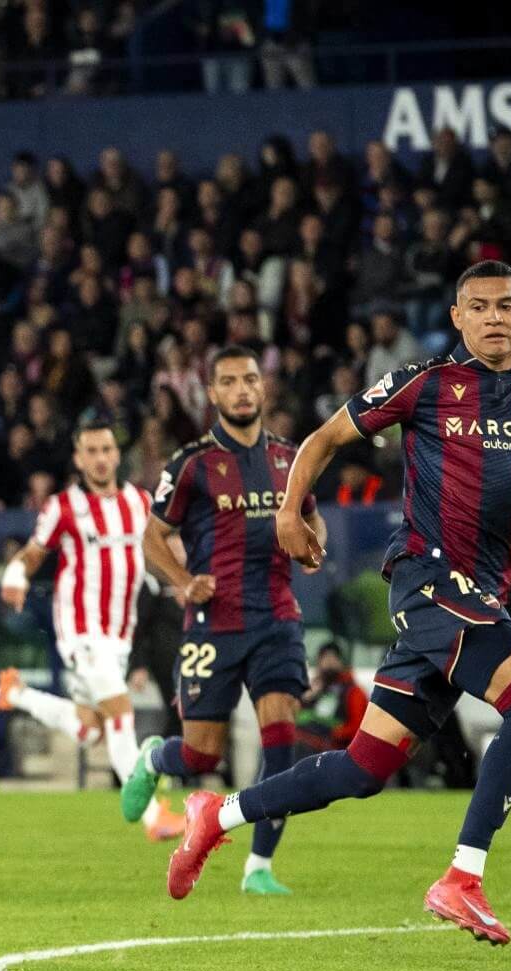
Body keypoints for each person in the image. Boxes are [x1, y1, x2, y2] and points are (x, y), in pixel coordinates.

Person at [169, 261, 511, 946]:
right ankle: (463, 877)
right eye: (479, 306)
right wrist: (288, 511)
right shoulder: (425, 383)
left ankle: (215, 815)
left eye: (506, 305)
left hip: (478, 598)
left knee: (364, 769)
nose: (493, 317)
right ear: (457, 317)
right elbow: (323, 440)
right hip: (431, 582)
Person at [126, 346, 326, 895]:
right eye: (230, 382)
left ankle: (258, 866)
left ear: (264, 388)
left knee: (280, 739)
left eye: (250, 380)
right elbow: (152, 538)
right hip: (213, 622)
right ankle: (154, 759)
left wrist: (313, 548)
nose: (242, 390)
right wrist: (183, 581)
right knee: (201, 754)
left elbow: (313, 519)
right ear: (212, 393)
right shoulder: (191, 464)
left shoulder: (289, 458)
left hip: (277, 618)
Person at [0, 422, 180, 840]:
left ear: (117, 454)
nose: (100, 458)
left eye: (106, 449)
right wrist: (15, 574)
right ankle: (153, 817)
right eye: (91, 451)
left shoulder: (139, 501)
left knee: (92, 728)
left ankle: (15, 694)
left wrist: (182, 581)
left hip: (120, 634)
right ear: (78, 458)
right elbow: (34, 552)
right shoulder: (63, 507)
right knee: (121, 713)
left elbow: (160, 549)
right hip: (81, 630)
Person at [298, 642, 367, 753]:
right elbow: (297, 717)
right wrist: (307, 698)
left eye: (332, 658)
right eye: (325, 658)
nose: (329, 663)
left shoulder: (353, 691)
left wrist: (332, 733)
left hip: (336, 750)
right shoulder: (316, 687)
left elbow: (357, 728)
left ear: (341, 662)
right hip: (312, 744)